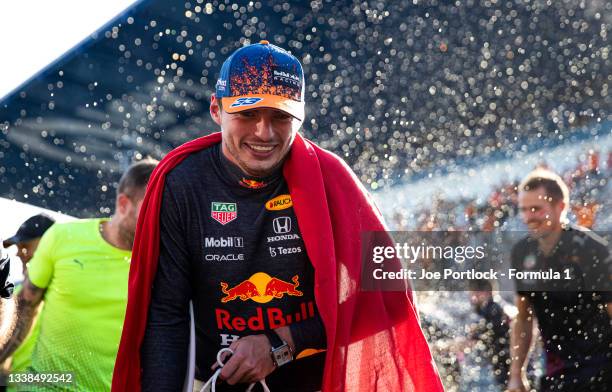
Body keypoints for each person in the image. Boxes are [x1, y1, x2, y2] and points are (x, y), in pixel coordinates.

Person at [112, 41, 443, 392]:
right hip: (213, 382)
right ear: (216, 109)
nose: (264, 133)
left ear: (299, 115)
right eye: (247, 113)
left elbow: (389, 296)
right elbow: (166, 315)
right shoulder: (181, 184)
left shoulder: (332, 179)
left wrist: (281, 343)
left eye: (280, 116)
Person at [0, 159, 158, 391]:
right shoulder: (62, 238)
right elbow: (26, 306)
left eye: (26, 249)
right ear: (123, 204)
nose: (157, 219)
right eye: (150, 209)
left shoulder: (164, 263)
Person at [507, 169, 611, 392]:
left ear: (560, 207)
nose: (528, 217)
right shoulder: (522, 252)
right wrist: (517, 374)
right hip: (557, 372)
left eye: (536, 209)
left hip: (601, 367)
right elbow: (524, 317)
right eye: (523, 210)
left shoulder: (591, 250)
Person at [1, 214, 55, 383]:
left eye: (25, 247)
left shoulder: (64, 295)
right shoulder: (14, 292)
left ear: (50, 245)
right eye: (18, 248)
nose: (18, 254)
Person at [467, 279, 510, 388]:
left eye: (475, 293)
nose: (472, 298)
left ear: (485, 293)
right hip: (500, 360)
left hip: (504, 360)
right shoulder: (490, 308)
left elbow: (483, 334)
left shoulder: (492, 309)